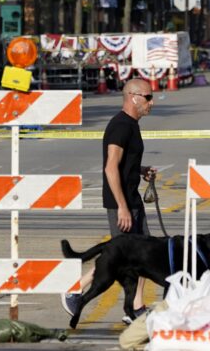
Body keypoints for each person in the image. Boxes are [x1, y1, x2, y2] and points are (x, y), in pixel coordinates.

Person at [62, 78, 156, 324]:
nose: (151, 102)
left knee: (143, 255)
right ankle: (75, 291)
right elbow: (111, 168)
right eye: (148, 97)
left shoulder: (131, 125)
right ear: (133, 97)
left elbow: (124, 166)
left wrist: (141, 169)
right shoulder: (120, 126)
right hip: (122, 204)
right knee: (119, 258)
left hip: (133, 201)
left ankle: (135, 307)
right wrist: (122, 207)